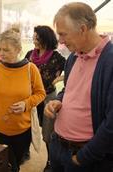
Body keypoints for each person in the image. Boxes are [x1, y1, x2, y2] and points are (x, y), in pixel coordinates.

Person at [44, 2, 113, 172]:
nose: (60, 41)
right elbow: (68, 90)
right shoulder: (73, 57)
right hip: (58, 146)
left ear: (82, 29)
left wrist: (82, 158)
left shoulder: (110, 61)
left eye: (63, 34)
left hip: (84, 156)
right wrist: (58, 101)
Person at [0, 28, 46, 172]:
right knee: (3, 165)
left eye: (6, 50)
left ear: (18, 49)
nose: (1, 53)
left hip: (22, 131)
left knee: (16, 164)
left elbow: (41, 93)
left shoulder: (30, 69)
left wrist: (26, 104)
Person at [24, 25, 66, 169]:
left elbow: (71, 69)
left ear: (45, 38)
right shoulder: (29, 54)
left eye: (37, 37)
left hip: (48, 97)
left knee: (48, 133)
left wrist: (59, 79)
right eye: (34, 37)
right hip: (31, 97)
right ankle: (25, 153)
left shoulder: (57, 57)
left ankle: (50, 161)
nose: (34, 39)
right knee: (28, 127)